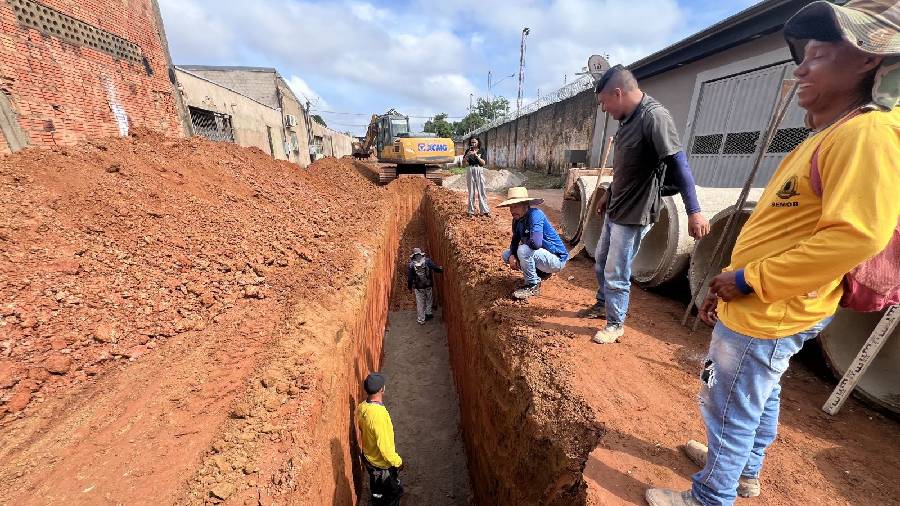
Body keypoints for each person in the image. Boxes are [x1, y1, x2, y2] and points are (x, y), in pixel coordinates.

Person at [646, 2, 900, 505]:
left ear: (869, 61)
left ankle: (710, 496)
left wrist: (749, 282)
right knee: (756, 395)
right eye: (803, 56)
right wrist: (737, 281)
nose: (801, 68)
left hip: (772, 308)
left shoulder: (867, 135)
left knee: (730, 405)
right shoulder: (829, 136)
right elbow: (787, 228)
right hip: (771, 302)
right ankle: (743, 471)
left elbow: (858, 236)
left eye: (820, 55)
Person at [584, 65, 711, 344]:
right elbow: (628, 166)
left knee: (616, 270)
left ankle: (616, 324)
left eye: (604, 102)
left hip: (635, 212)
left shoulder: (654, 117)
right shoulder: (627, 119)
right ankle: (603, 304)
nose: (604, 109)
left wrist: (694, 211)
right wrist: (609, 192)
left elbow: (679, 163)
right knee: (602, 261)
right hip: (617, 205)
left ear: (618, 93)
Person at [498, 186, 569, 300]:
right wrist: (512, 255)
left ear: (526, 205)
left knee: (523, 250)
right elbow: (514, 241)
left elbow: (536, 244)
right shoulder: (516, 220)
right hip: (542, 256)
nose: (512, 210)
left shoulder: (535, 215)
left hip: (556, 259)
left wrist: (517, 252)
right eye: (510, 207)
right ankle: (541, 274)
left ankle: (532, 285)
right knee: (506, 255)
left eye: (515, 206)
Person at [356, 372, 404, 505]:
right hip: (382, 465)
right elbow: (385, 449)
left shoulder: (363, 407)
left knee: (377, 491)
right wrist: (398, 462)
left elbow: (361, 427)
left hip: (369, 458)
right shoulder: (379, 416)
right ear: (382, 389)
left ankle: (376, 498)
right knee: (394, 493)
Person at [407, 247, 443, 324]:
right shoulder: (427, 261)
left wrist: (410, 287)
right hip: (428, 285)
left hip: (418, 288)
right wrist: (440, 269)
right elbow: (435, 268)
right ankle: (428, 313)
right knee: (429, 299)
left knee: (420, 303)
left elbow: (410, 279)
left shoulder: (411, 265)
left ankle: (421, 319)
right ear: (421, 254)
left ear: (413, 256)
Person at [465, 136, 490, 217]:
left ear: (478, 142)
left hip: (479, 169)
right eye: (472, 142)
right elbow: (464, 163)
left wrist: (476, 155)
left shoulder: (482, 151)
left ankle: (485, 211)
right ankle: (470, 211)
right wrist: (466, 156)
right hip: (470, 169)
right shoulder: (468, 151)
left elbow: (483, 163)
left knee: (481, 191)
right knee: (471, 192)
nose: (473, 144)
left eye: (475, 142)